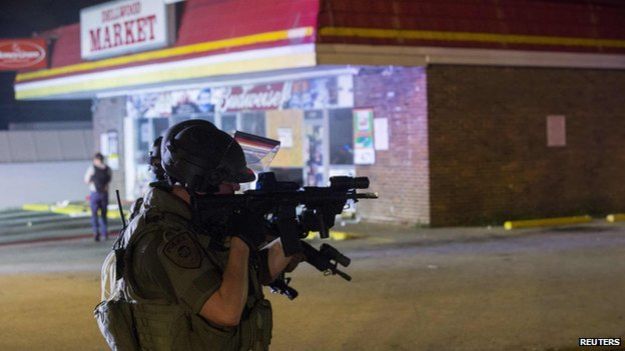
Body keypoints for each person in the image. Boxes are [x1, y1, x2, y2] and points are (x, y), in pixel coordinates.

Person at [117, 120, 301, 350]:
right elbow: (226, 312)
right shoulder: (164, 238)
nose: (235, 188)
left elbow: (251, 275)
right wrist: (241, 241)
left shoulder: (193, 223)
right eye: (229, 181)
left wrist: (294, 231)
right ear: (201, 182)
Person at [84, 152, 112, 241]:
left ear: (95, 160)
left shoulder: (92, 168)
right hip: (104, 193)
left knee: (94, 214)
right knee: (103, 214)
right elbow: (109, 180)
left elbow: (86, 180)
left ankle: (96, 233)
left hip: (94, 193)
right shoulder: (108, 169)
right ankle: (105, 233)